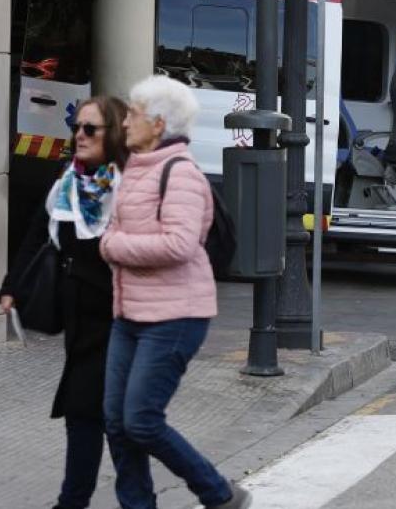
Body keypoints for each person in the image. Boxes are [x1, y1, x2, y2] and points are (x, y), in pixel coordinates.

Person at [100, 75, 251, 509]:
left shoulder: (180, 173)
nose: (124, 122)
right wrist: (113, 240)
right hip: (130, 313)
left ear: (158, 123)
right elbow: (113, 226)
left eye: (132, 113)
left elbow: (179, 244)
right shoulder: (133, 169)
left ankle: (218, 493)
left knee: (142, 421)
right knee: (116, 421)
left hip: (176, 317)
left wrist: (113, 247)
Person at [0, 95, 130, 509]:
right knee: (86, 413)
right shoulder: (67, 182)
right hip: (79, 321)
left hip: (118, 320)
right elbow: (38, 235)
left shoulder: (128, 187)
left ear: (114, 135)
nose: (80, 136)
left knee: (115, 420)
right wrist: (13, 286)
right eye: (78, 128)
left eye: (91, 129)